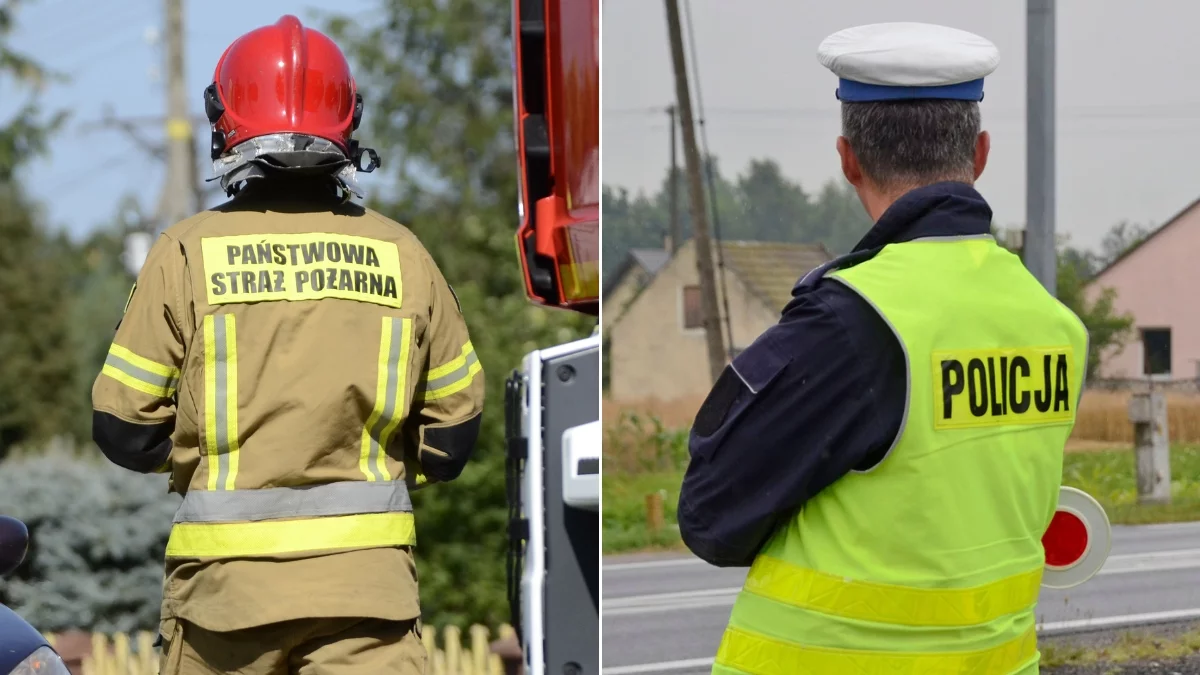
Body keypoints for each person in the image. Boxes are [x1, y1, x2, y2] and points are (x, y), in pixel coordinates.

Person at [678, 22, 1087, 675]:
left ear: (847, 160)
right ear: (979, 154)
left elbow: (709, 515)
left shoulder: (853, 321)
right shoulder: (1057, 326)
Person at [90, 15, 484, 675]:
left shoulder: (185, 253)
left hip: (224, 604)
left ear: (225, 122)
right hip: (369, 602)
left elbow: (122, 428)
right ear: (349, 121)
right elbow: (451, 444)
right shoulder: (403, 255)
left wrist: (206, 449)